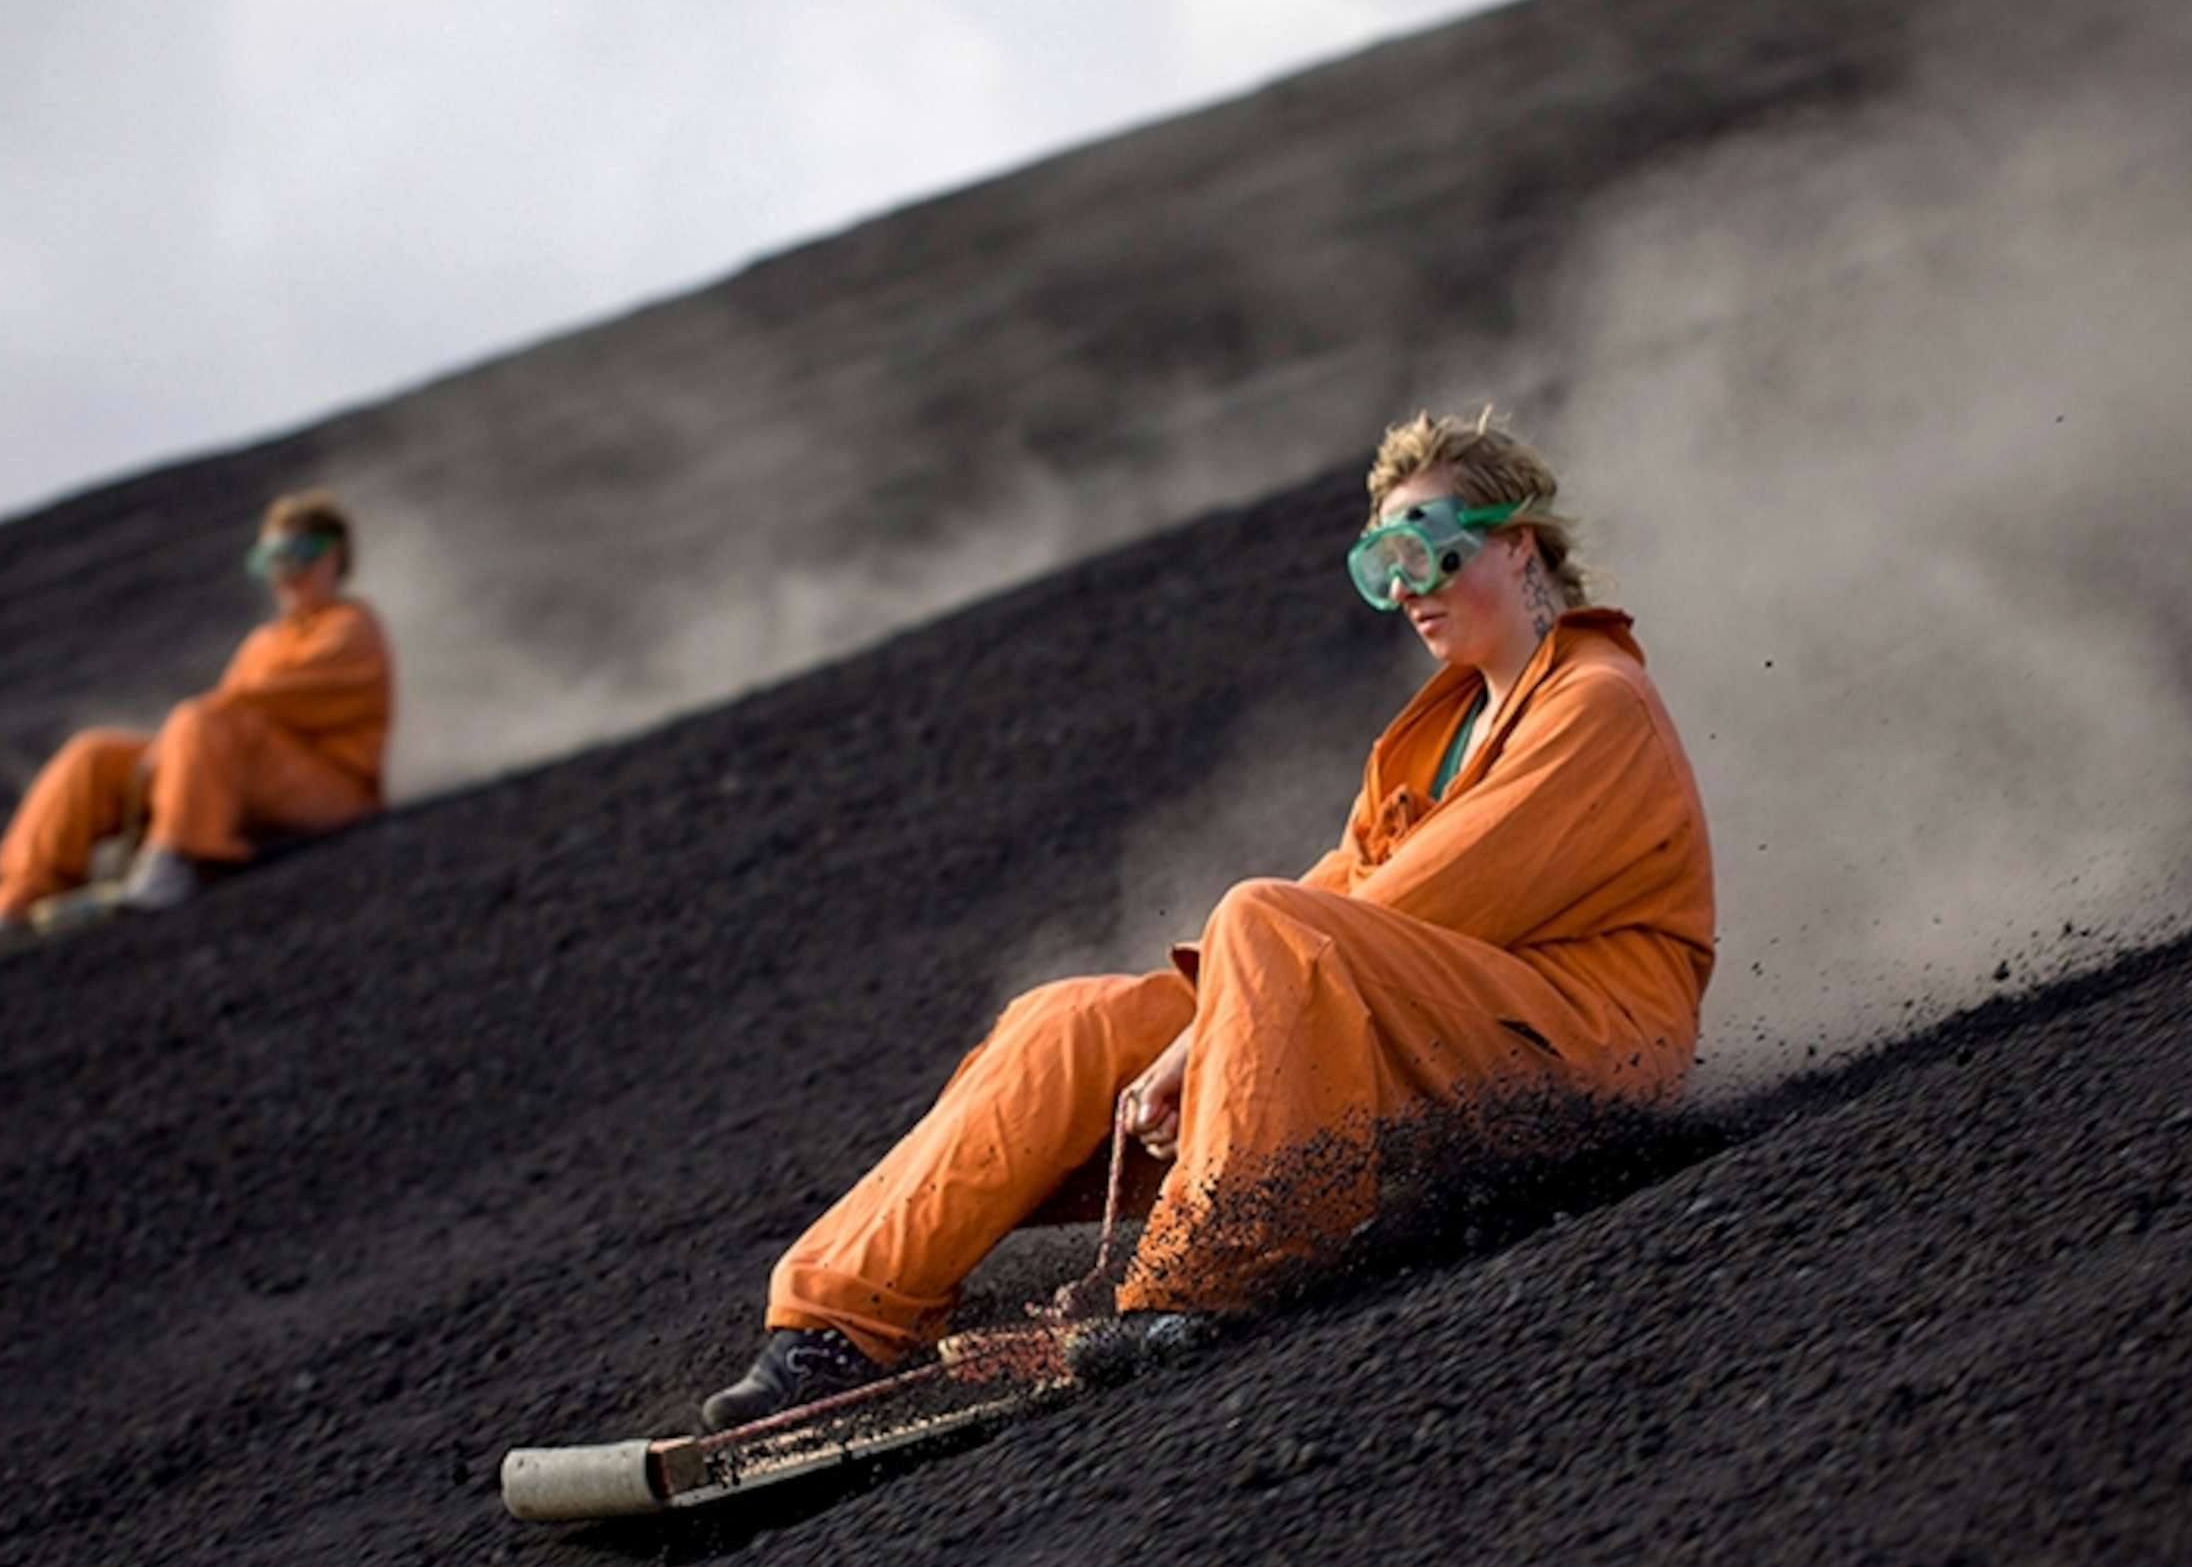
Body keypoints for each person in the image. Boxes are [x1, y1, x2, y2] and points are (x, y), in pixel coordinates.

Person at [699, 410, 1716, 1432]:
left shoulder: (1596, 702)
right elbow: (1351, 888)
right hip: (1433, 1034)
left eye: (1423, 548)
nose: (1405, 588)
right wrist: (1202, 1026)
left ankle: (1197, 1285)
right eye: (1378, 564)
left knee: (1263, 924)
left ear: (1515, 540)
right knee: (1073, 1023)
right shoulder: (1435, 737)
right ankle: (838, 1326)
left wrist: (1209, 1034)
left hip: (1585, 1063)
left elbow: (1428, 896)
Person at [0, 489, 393, 936]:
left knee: (197, 721)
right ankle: (18, 899)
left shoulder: (352, 629)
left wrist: (188, 737)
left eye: (296, 556)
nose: (283, 574)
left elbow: (270, 704)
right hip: (249, 782)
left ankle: (171, 863)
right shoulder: (263, 643)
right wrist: (181, 747)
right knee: (92, 755)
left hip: (331, 792)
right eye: (269, 559)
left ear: (334, 557)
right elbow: (229, 721)